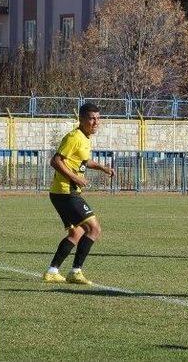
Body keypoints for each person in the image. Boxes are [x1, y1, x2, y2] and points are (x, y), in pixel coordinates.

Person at [43, 103, 115, 285]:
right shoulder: (74, 137)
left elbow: (84, 160)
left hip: (65, 192)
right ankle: (76, 271)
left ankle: (52, 271)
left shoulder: (85, 137)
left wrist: (102, 167)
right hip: (66, 192)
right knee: (94, 229)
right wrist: (75, 177)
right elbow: (56, 161)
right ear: (81, 119)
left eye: (98, 118)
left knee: (77, 233)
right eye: (92, 118)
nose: (96, 122)